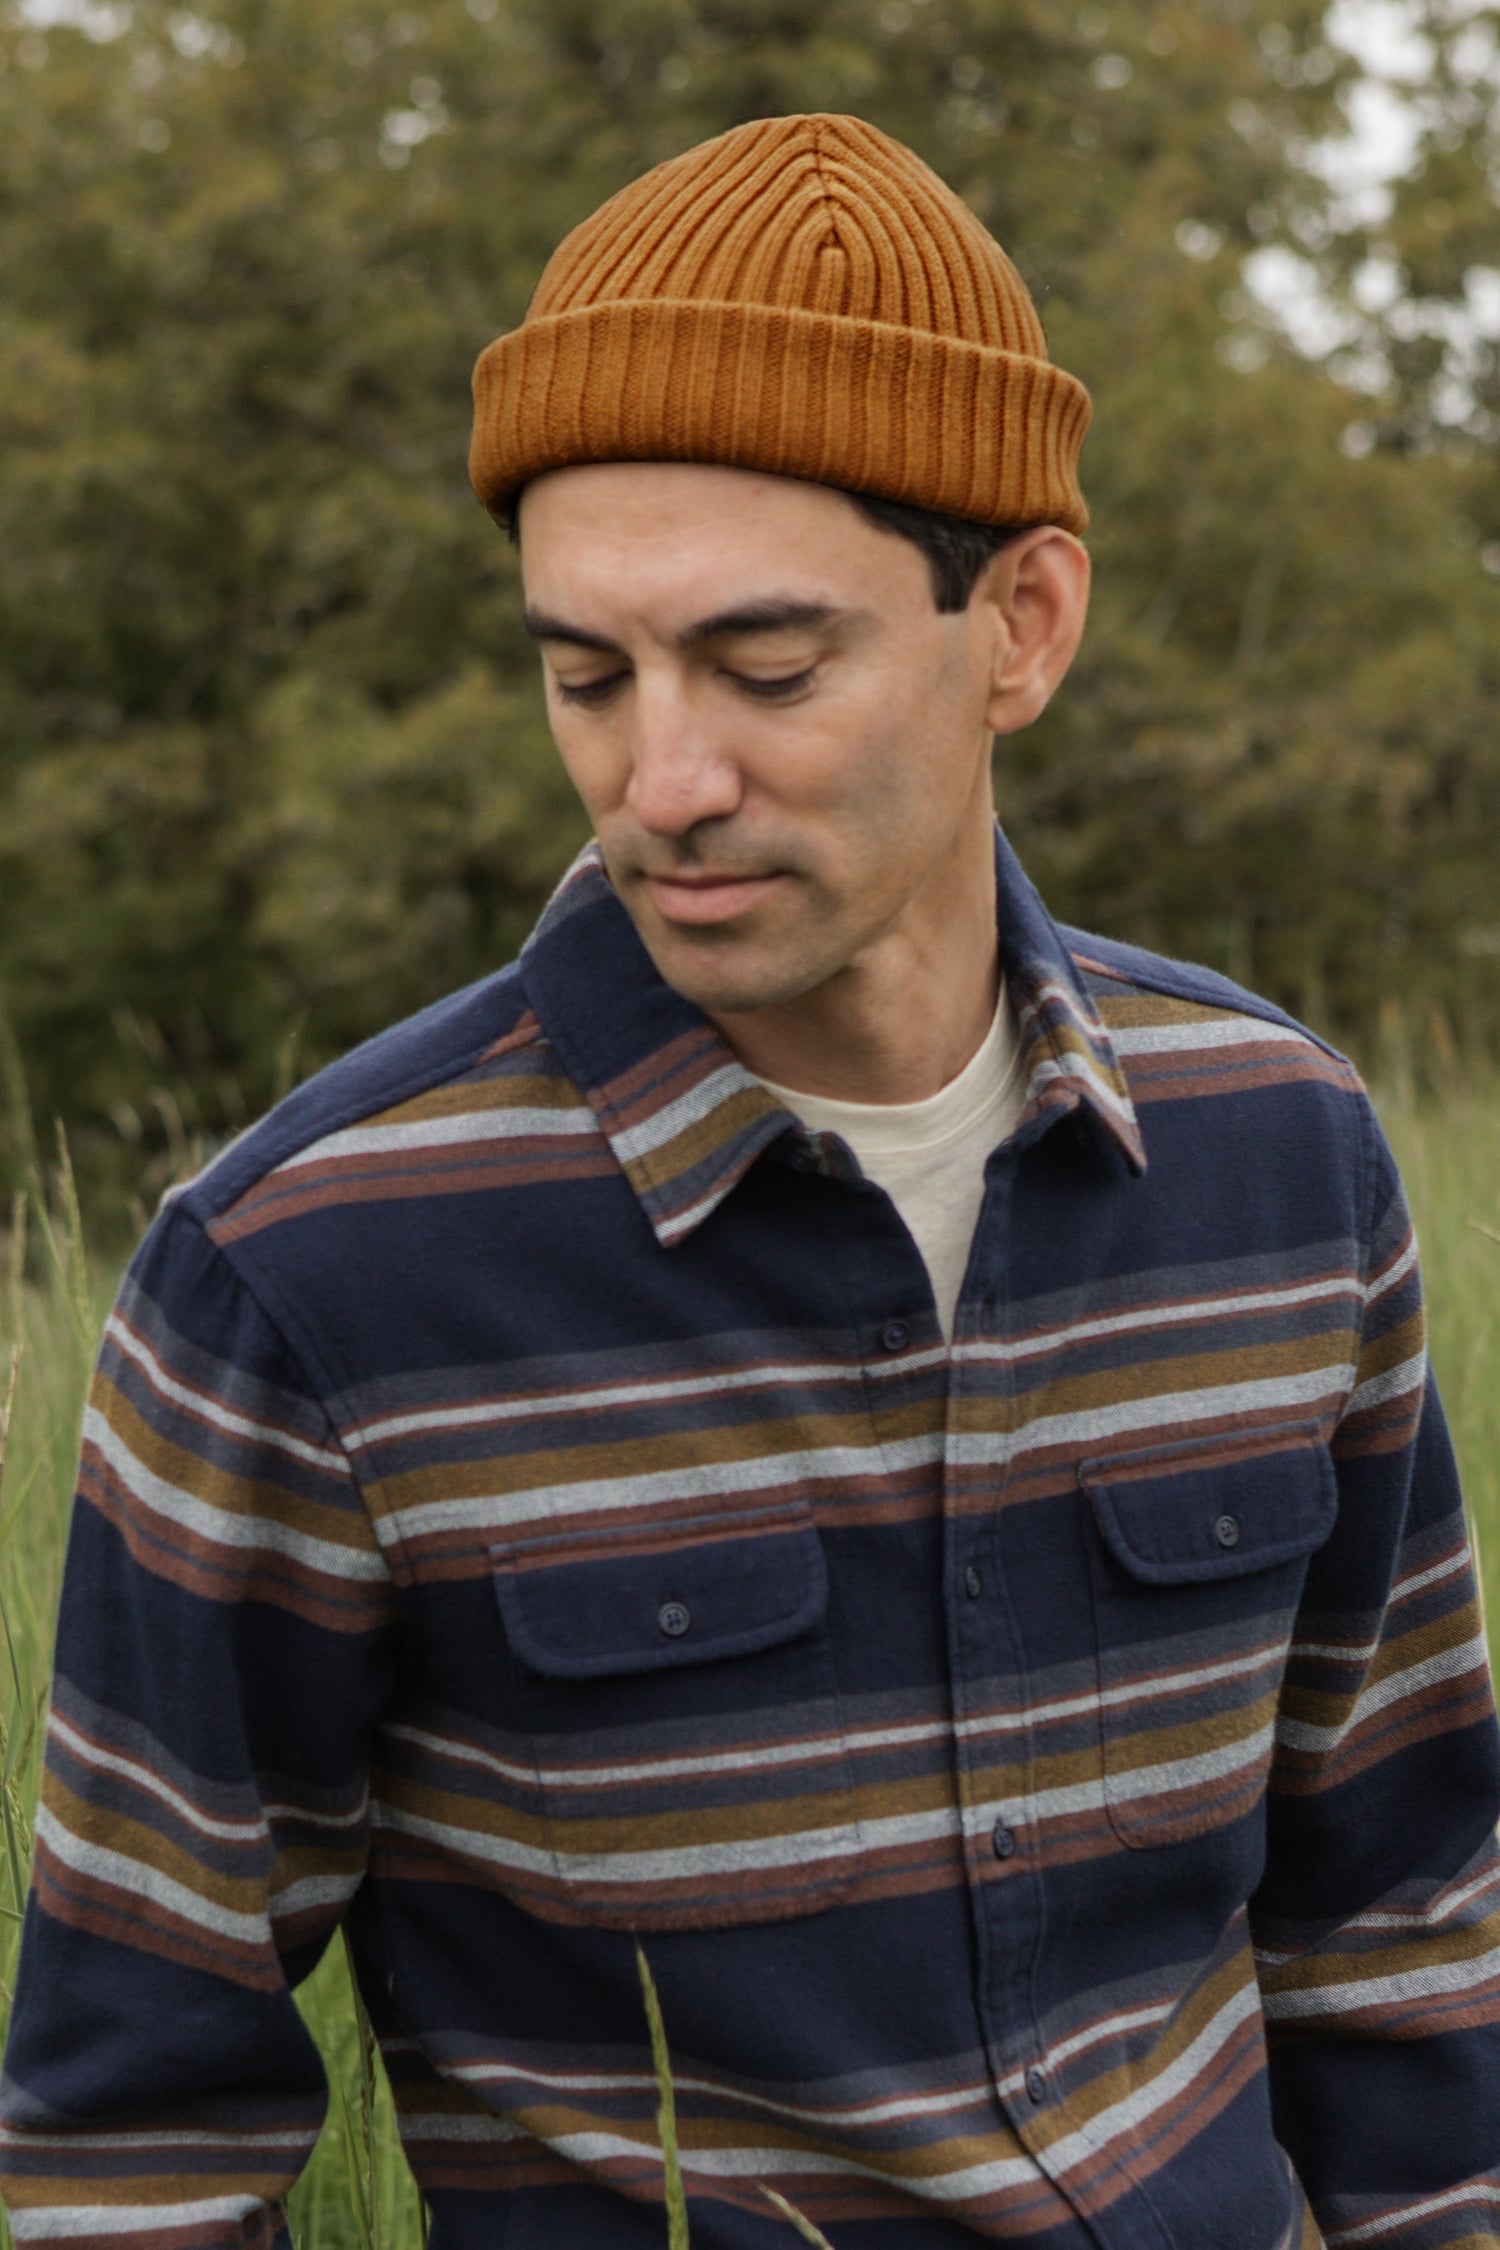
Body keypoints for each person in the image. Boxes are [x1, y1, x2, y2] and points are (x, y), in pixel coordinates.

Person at [2, 111, 1497, 2250]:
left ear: (1023, 623)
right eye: (584, 676)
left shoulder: (1289, 1155)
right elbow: (133, 2148)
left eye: (766, 668)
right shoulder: (301, 1282)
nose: (663, 780)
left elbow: (1403, 1921)